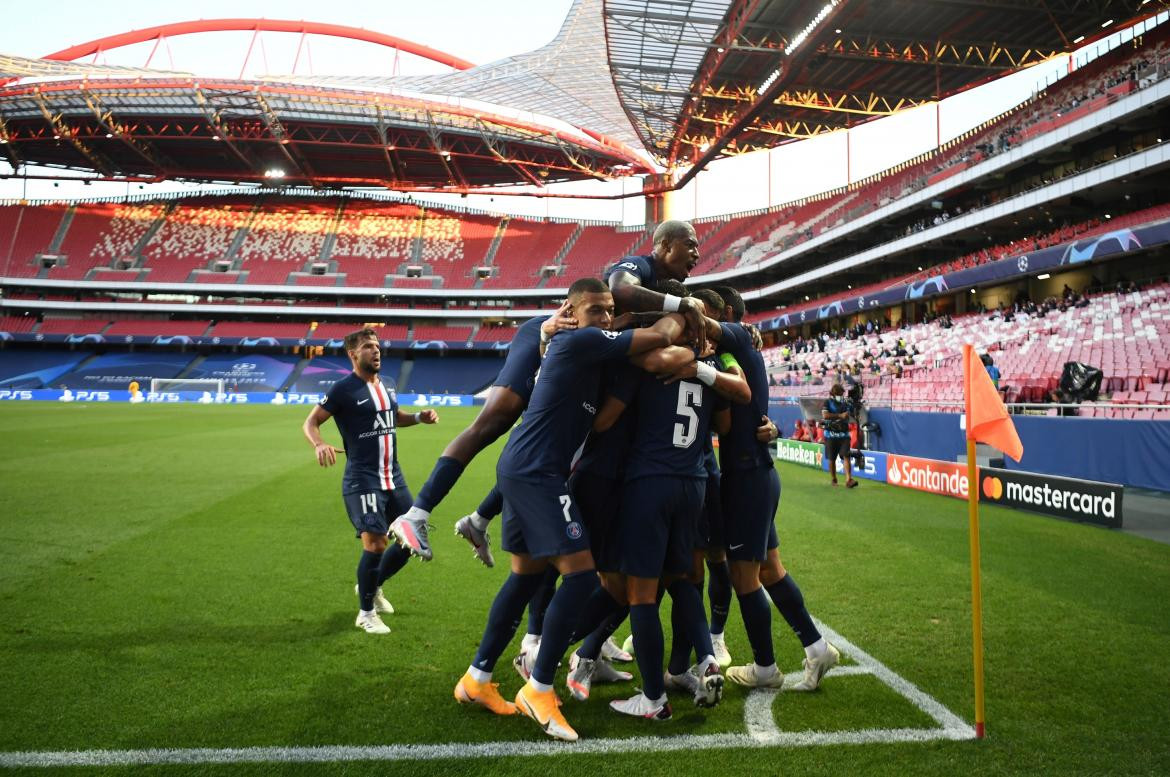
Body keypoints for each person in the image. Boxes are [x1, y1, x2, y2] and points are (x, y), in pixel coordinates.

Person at [453, 277, 688, 742]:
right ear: (572, 311)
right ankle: (538, 688)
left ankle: (476, 680)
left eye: (607, 311)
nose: (603, 317)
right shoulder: (579, 340)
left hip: (525, 468)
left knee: (524, 578)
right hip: (537, 473)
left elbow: (602, 415)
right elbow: (662, 339)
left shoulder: (584, 349)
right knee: (581, 575)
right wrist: (687, 311)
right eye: (595, 310)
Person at [706, 285, 840, 693]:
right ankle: (817, 649)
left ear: (726, 313)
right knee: (770, 570)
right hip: (757, 473)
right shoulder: (738, 350)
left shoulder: (737, 339)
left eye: (705, 312)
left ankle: (765, 668)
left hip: (748, 477)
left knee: (744, 576)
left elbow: (728, 422)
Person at [389, 304, 577, 561]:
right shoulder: (634, 276)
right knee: (491, 423)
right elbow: (613, 288)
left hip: (568, 342)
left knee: (535, 450)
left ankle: (477, 521)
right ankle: (416, 514)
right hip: (547, 331)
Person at [302, 328, 438, 635]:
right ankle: (365, 613)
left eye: (376, 346)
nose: (375, 351)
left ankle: (372, 586)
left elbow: (394, 417)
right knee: (376, 544)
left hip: (394, 477)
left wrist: (419, 417)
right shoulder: (342, 390)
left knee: (409, 541)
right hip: (363, 479)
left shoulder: (387, 385)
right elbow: (311, 422)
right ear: (353, 354)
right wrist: (319, 444)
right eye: (367, 346)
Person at [823, 384, 858, 488]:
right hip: (830, 435)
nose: (842, 396)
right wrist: (840, 415)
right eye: (840, 394)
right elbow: (825, 415)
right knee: (832, 459)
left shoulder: (845, 402)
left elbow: (853, 412)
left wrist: (854, 409)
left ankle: (849, 480)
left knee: (846, 455)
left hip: (844, 435)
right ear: (834, 394)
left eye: (843, 394)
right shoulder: (827, 402)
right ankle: (834, 479)